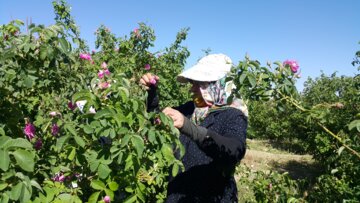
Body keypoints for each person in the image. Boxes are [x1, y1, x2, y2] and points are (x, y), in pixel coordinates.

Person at [140, 54, 248, 203]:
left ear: (218, 84)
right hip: (177, 196)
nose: (192, 89)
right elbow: (157, 120)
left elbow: (234, 150)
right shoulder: (190, 109)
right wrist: (151, 93)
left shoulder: (232, 115)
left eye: (199, 84)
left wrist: (189, 127)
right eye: (193, 83)